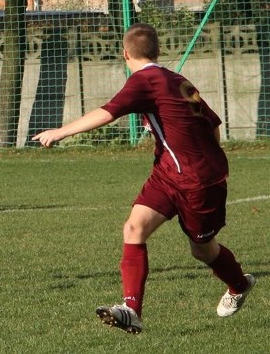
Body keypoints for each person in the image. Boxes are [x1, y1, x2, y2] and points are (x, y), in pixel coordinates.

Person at [32, 23, 255, 334]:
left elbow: (108, 112)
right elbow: (213, 123)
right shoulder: (176, 79)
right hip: (168, 174)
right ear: (158, 51)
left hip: (197, 181)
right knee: (134, 228)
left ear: (125, 54)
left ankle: (239, 284)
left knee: (202, 250)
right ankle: (131, 310)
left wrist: (61, 132)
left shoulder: (145, 80)